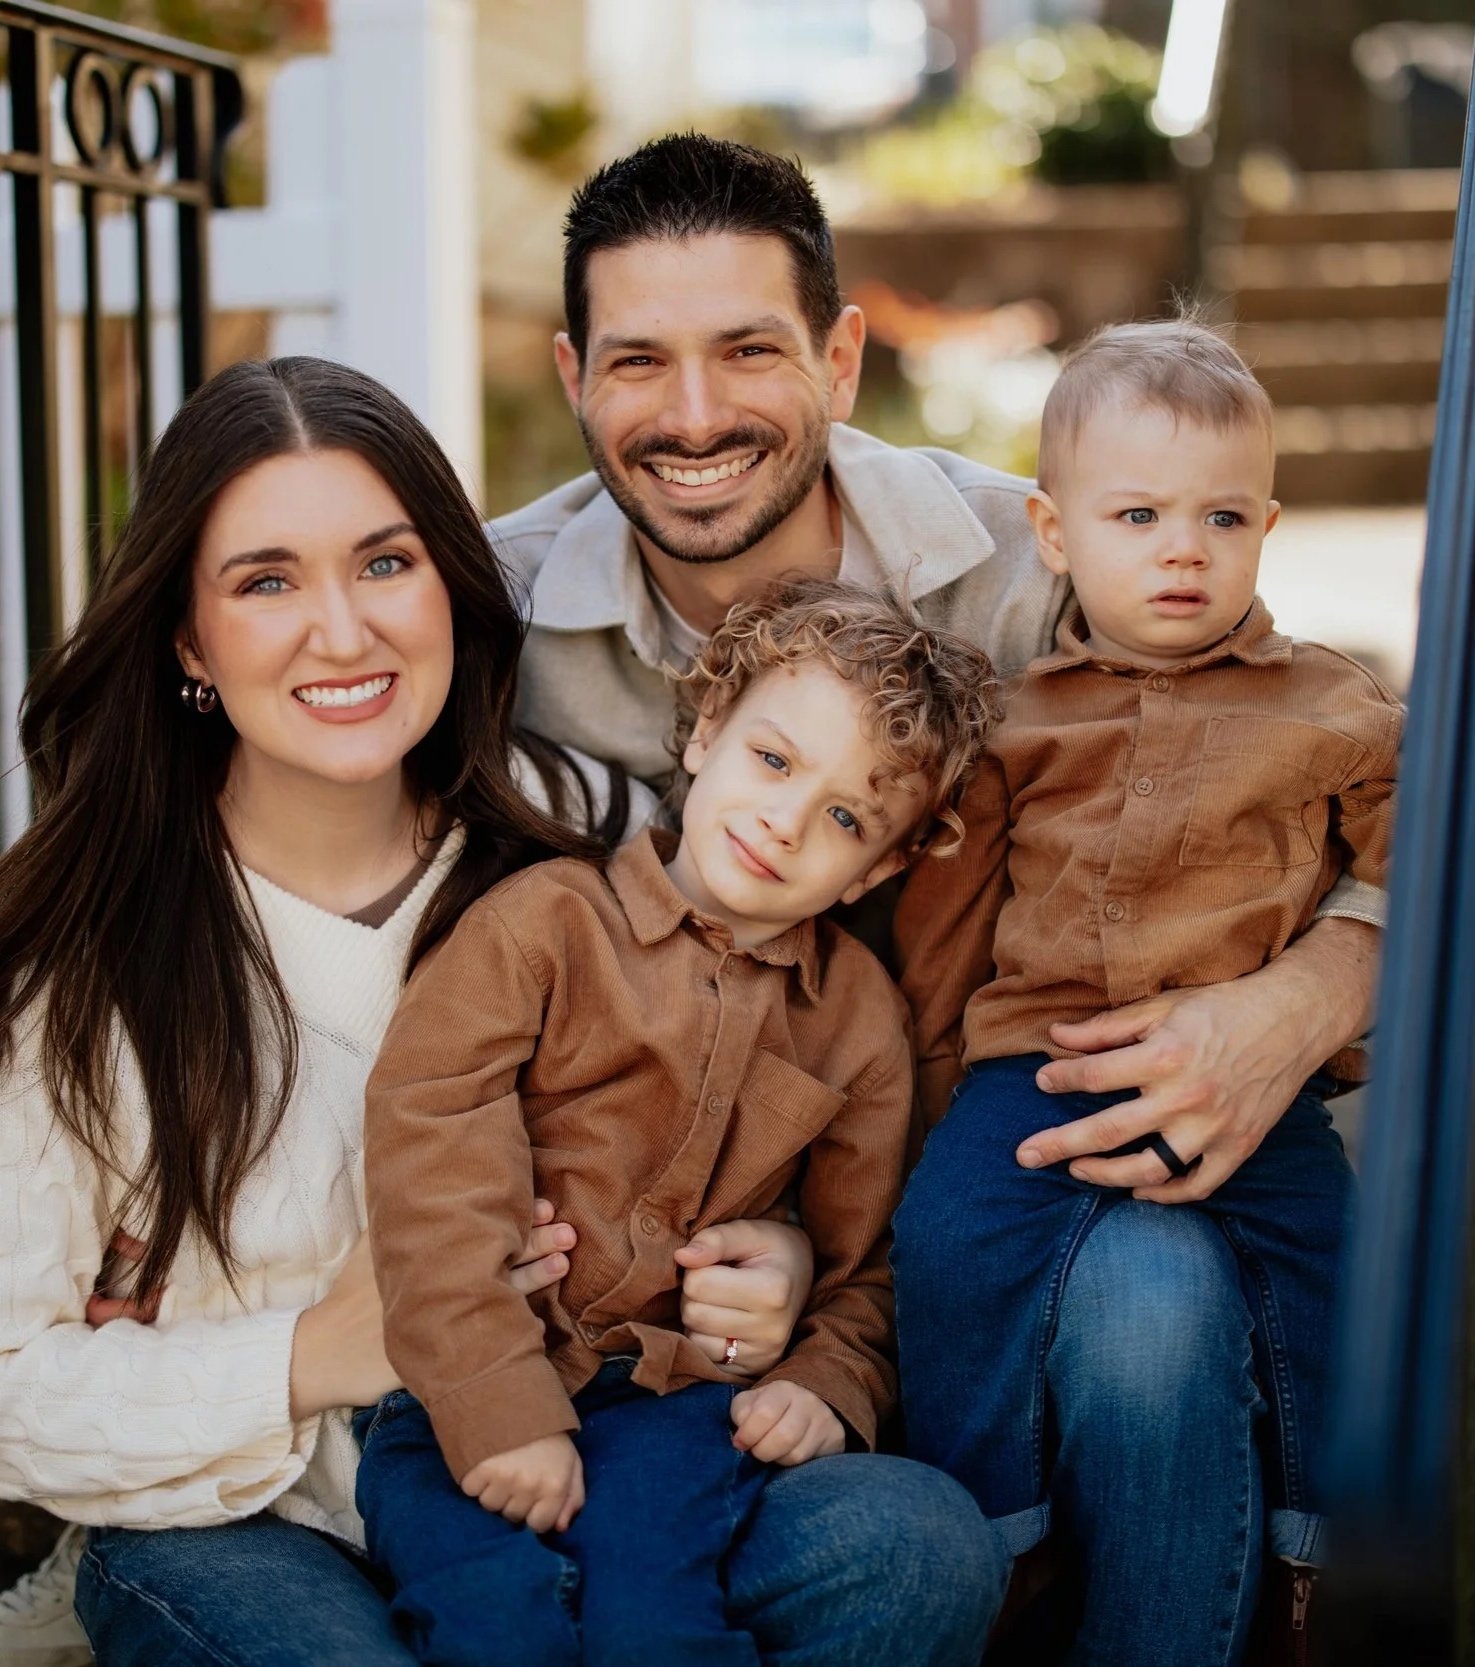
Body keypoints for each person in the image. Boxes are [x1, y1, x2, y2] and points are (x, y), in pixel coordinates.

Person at [0, 356, 1006, 1667]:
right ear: (190, 640)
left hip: (592, 1466)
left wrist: (777, 1260)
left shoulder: (582, 830)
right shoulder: (81, 951)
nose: (342, 630)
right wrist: (315, 1348)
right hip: (259, 1518)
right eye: (265, 581)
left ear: (450, 587)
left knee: (909, 1541)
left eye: (383, 562)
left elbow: (745, 1093)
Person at [484, 133, 1389, 1652]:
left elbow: (1295, 763)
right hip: (718, 1250)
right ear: (573, 371)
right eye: (639, 360)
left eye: (748, 350)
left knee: (1157, 1292)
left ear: (842, 358)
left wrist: (1309, 992)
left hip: (1013, 1127)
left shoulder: (1046, 565)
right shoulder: (490, 622)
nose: (692, 414)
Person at [356, 581, 998, 1665]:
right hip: (464, 1388)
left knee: (654, 1623)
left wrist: (823, 1377)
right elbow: (429, 1151)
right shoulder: (542, 923)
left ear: (882, 866)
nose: (783, 821)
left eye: (845, 817)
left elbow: (875, 1259)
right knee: (493, 1620)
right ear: (707, 733)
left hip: (677, 1408)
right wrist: (496, 1400)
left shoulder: (854, 1021)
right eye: (773, 760)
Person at [891, 319, 1402, 1662]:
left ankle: (1307, 1560)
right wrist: (931, 1066)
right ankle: (1001, 1529)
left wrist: (1338, 973)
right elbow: (947, 917)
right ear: (1052, 535)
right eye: (1135, 514)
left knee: (1326, 1272)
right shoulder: (1012, 719)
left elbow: (1415, 847)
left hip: (1251, 1078)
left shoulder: (1327, 706)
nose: (1180, 547)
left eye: (1218, 515)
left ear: (1265, 525)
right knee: (947, 1242)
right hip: (1035, 1065)